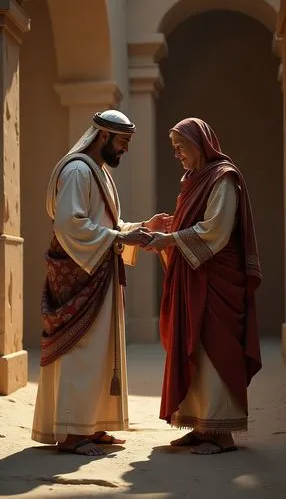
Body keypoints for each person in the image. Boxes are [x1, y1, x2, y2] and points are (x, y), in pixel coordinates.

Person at [31, 109, 168, 456]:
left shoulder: (99, 172)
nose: (125, 150)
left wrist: (134, 229)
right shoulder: (78, 171)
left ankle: (90, 426)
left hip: (98, 273)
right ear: (103, 136)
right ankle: (73, 433)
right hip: (80, 277)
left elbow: (104, 223)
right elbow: (71, 225)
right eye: (122, 142)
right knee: (82, 352)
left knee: (99, 352)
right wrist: (120, 238)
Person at [145, 117, 262, 455]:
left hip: (216, 282)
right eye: (174, 149)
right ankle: (200, 425)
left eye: (181, 147)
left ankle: (221, 433)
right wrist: (171, 226)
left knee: (214, 351)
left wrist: (170, 239)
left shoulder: (223, 178)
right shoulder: (194, 180)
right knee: (192, 346)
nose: (177, 154)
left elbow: (215, 231)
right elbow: (192, 225)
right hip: (195, 277)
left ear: (199, 144)